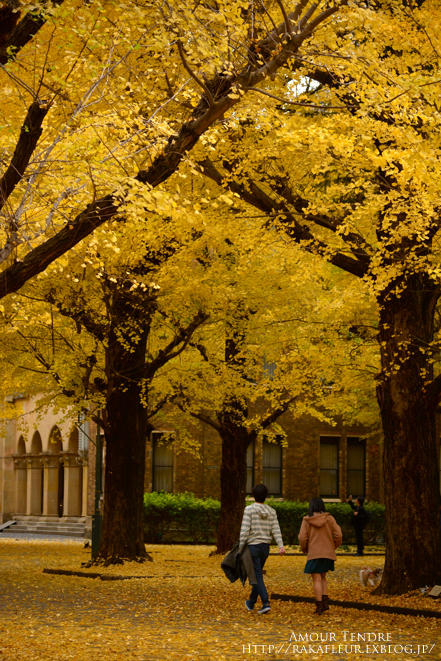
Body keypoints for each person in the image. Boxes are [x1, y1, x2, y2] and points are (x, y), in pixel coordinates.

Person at [239, 483, 285, 615]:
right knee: (256, 574)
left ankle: (266, 603)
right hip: (265, 547)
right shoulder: (272, 512)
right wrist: (281, 546)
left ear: (253, 496)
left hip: (253, 547)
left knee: (257, 575)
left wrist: (241, 546)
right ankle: (251, 602)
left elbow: (245, 530)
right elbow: (276, 530)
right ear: (266, 496)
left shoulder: (249, 510)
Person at [298, 497, 342, 615]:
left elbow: (302, 538)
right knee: (323, 577)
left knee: (316, 579)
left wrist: (305, 549)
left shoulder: (307, 520)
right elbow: (338, 534)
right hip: (327, 553)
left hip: (314, 552)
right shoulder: (330, 518)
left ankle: (319, 606)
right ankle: (325, 602)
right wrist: (333, 547)